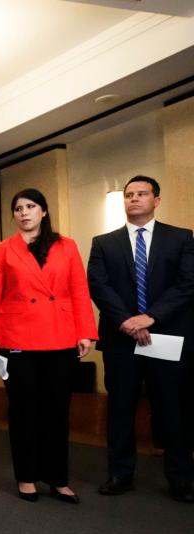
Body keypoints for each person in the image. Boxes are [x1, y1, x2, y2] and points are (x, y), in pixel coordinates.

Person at [0, 189, 96, 504]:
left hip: (61, 336)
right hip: (17, 337)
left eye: (30, 206)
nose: (24, 212)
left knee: (58, 411)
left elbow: (78, 290)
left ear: (43, 211)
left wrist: (85, 331)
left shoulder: (67, 246)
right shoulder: (2, 250)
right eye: (18, 208)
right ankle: (27, 476)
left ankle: (58, 479)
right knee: (23, 411)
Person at [87, 175, 194, 503]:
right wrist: (127, 321)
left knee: (172, 409)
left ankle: (180, 478)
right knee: (120, 407)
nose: (134, 199)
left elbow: (187, 283)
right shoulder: (104, 242)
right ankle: (120, 473)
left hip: (167, 337)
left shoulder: (181, 238)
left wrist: (151, 317)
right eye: (129, 194)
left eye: (142, 194)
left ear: (156, 200)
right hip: (121, 340)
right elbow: (98, 285)